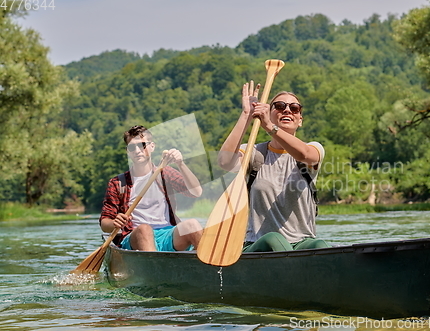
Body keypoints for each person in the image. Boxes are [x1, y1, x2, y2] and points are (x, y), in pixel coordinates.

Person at [218, 81, 329, 252]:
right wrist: (247, 115)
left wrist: (270, 127)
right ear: (268, 114)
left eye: (294, 108)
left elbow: (305, 154)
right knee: (274, 239)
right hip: (259, 245)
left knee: (320, 246)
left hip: (301, 244)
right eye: (279, 106)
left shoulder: (314, 148)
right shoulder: (253, 153)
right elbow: (225, 161)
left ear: (300, 120)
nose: (287, 110)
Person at [100, 125, 203, 251]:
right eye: (132, 147)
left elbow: (196, 192)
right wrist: (115, 223)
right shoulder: (118, 183)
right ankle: (155, 266)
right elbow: (105, 223)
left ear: (152, 146)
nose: (137, 151)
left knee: (192, 225)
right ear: (128, 151)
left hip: (168, 234)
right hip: (135, 236)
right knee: (144, 229)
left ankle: (210, 267)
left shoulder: (165, 173)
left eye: (142, 145)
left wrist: (180, 164)